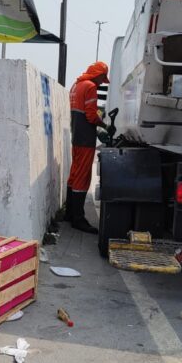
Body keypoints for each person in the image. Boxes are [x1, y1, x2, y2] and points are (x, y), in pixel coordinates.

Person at [65, 61, 114, 234]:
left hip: (76, 136)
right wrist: (104, 126)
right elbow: (91, 115)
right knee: (83, 177)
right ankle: (78, 219)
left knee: (74, 173)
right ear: (98, 75)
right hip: (85, 138)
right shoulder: (90, 87)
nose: (102, 82)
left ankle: (69, 214)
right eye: (102, 78)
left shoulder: (75, 85)